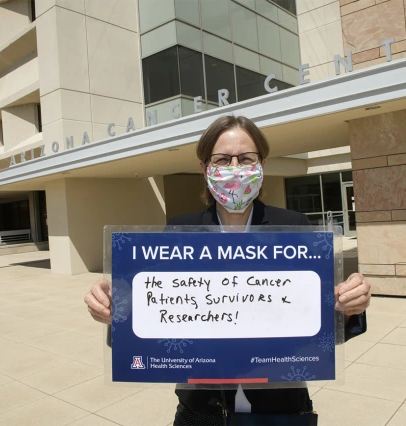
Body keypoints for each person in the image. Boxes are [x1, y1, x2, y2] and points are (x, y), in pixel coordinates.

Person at [85, 115, 371, 425]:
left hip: (281, 407)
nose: (235, 168)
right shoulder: (180, 231)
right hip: (201, 409)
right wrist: (116, 310)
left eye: (245, 158)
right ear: (205, 168)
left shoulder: (293, 228)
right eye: (222, 159)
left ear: (261, 164)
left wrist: (347, 306)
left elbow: (320, 326)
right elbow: (153, 319)